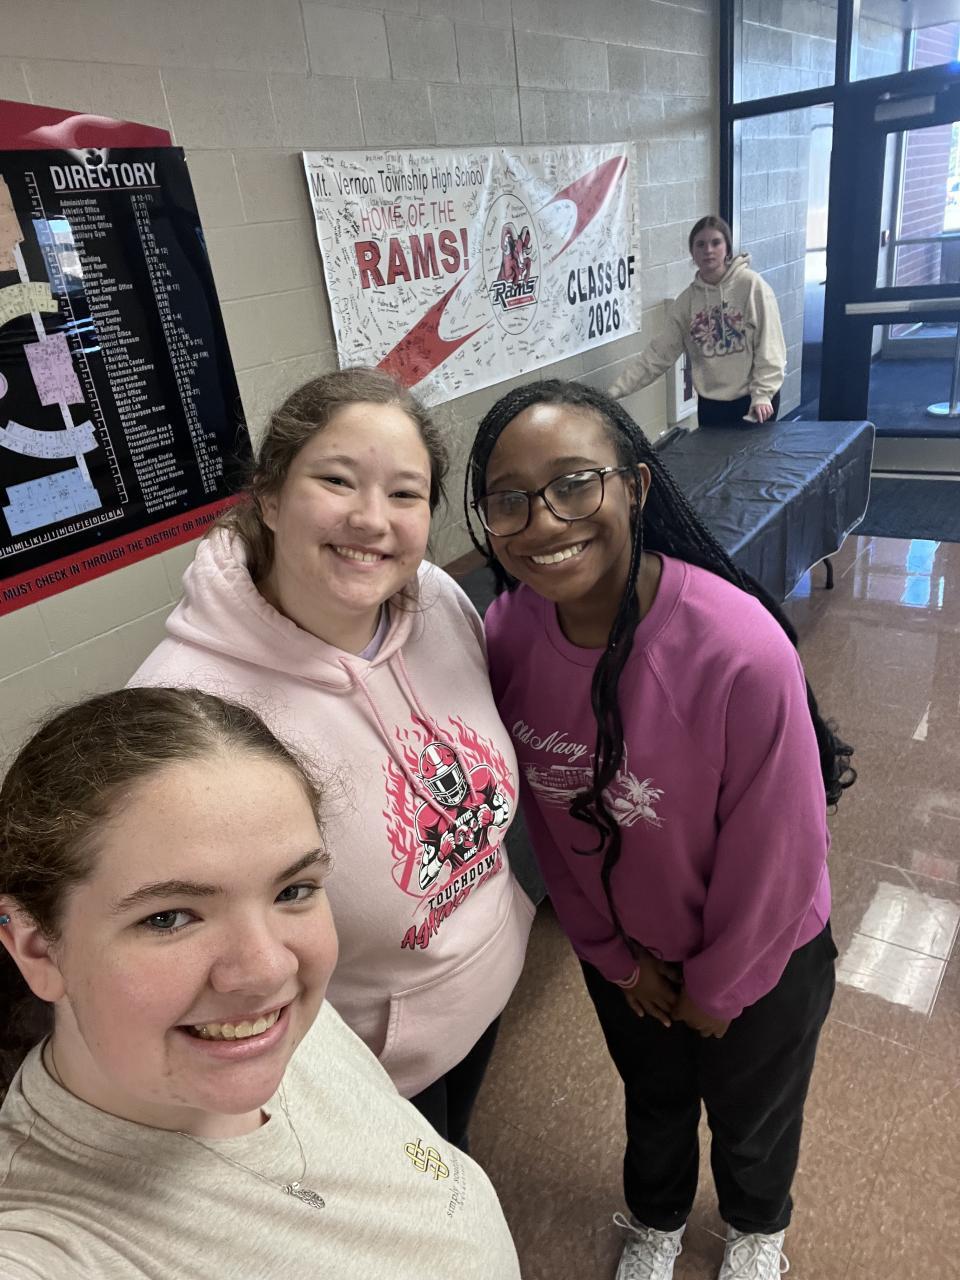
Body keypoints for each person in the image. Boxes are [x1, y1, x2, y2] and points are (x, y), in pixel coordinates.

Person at [463, 379, 856, 1280]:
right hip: (629, 957)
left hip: (761, 958)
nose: (544, 520)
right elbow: (549, 825)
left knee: (756, 1117)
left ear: (635, 486)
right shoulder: (508, 635)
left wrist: (719, 987)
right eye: (509, 499)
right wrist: (614, 959)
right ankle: (657, 1218)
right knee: (655, 1100)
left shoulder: (738, 648)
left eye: (575, 483)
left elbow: (782, 853)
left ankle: (758, 1228)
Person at [130, 367, 533, 1148]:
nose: (371, 519)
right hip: (369, 1067)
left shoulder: (439, 602)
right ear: (270, 497)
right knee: (421, 1204)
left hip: (483, 989)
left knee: (457, 1156)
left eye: (405, 493)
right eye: (338, 480)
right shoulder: (185, 707)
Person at [0, 688, 521, 1279]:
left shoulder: (269, 1027)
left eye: (292, 891)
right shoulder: (49, 1245)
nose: (270, 969)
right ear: (36, 946)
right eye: (168, 917)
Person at [610, 215, 786, 427]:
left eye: (716, 242)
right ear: (692, 252)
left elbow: (770, 346)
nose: (708, 250)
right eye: (700, 244)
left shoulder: (751, 287)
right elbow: (657, 355)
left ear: (727, 248)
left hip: (754, 401)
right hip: (712, 404)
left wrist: (763, 394)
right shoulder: (687, 303)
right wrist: (613, 393)